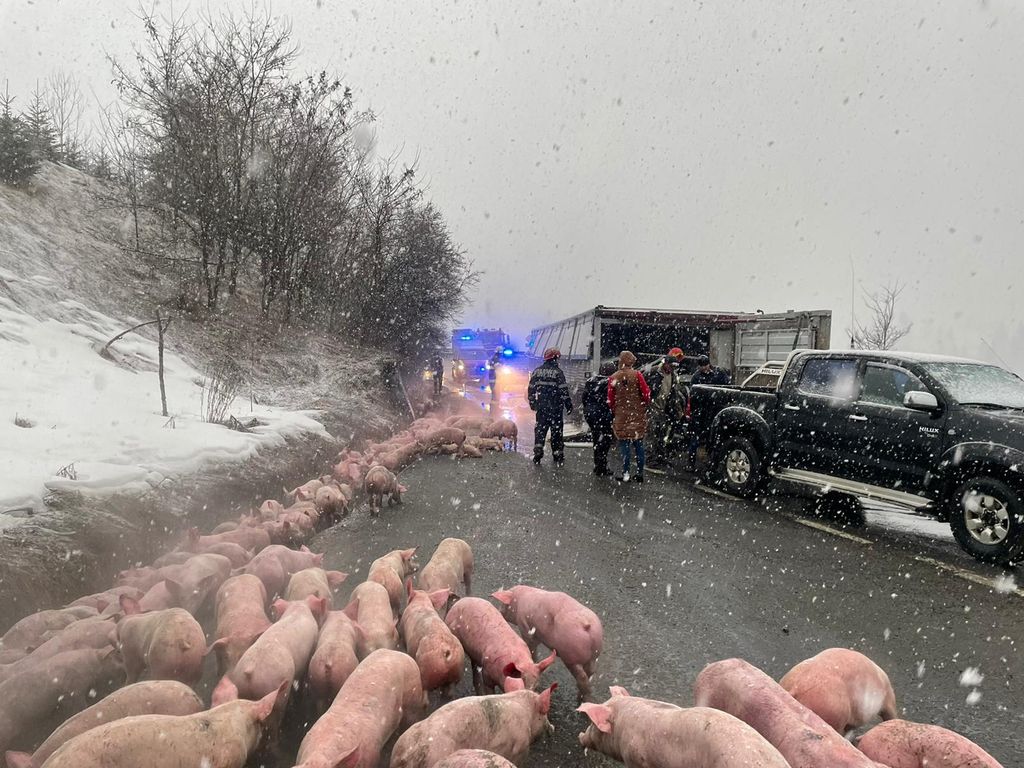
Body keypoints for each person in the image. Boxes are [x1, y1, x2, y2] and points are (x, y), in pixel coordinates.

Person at [607, 350, 651, 482]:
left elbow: (610, 398)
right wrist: (642, 405)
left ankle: (626, 474)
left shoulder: (614, 377)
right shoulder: (638, 375)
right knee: (638, 444)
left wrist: (616, 409)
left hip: (621, 416)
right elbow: (646, 393)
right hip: (637, 415)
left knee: (624, 445)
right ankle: (640, 474)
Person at [528, 347, 573, 465]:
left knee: (540, 430)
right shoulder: (558, 372)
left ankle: (538, 451)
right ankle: (557, 454)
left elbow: (531, 389)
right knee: (556, 431)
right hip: (555, 408)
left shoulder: (537, 371)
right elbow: (563, 390)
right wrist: (568, 404)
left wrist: (532, 402)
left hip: (541, 407)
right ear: (555, 358)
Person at [648, 348, 687, 464]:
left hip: (664, 408)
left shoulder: (673, 376)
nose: (672, 369)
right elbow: (644, 388)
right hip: (653, 407)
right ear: (665, 364)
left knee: (662, 434)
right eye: (671, 366)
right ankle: (650, 458)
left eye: (674, 367)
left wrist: (679, 413)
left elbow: (674, 395)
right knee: (652, 434)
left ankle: (661, 457)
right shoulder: (655, 372)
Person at [582, 362, 616, 476]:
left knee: (596, 438)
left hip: (591, 414)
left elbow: (584, 397)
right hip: (603, 415)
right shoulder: (610, 383)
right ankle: (601, 466)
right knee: (605, 440)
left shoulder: (590, 381)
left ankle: (598, 464)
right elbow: (611, 400)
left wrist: (587, 409)